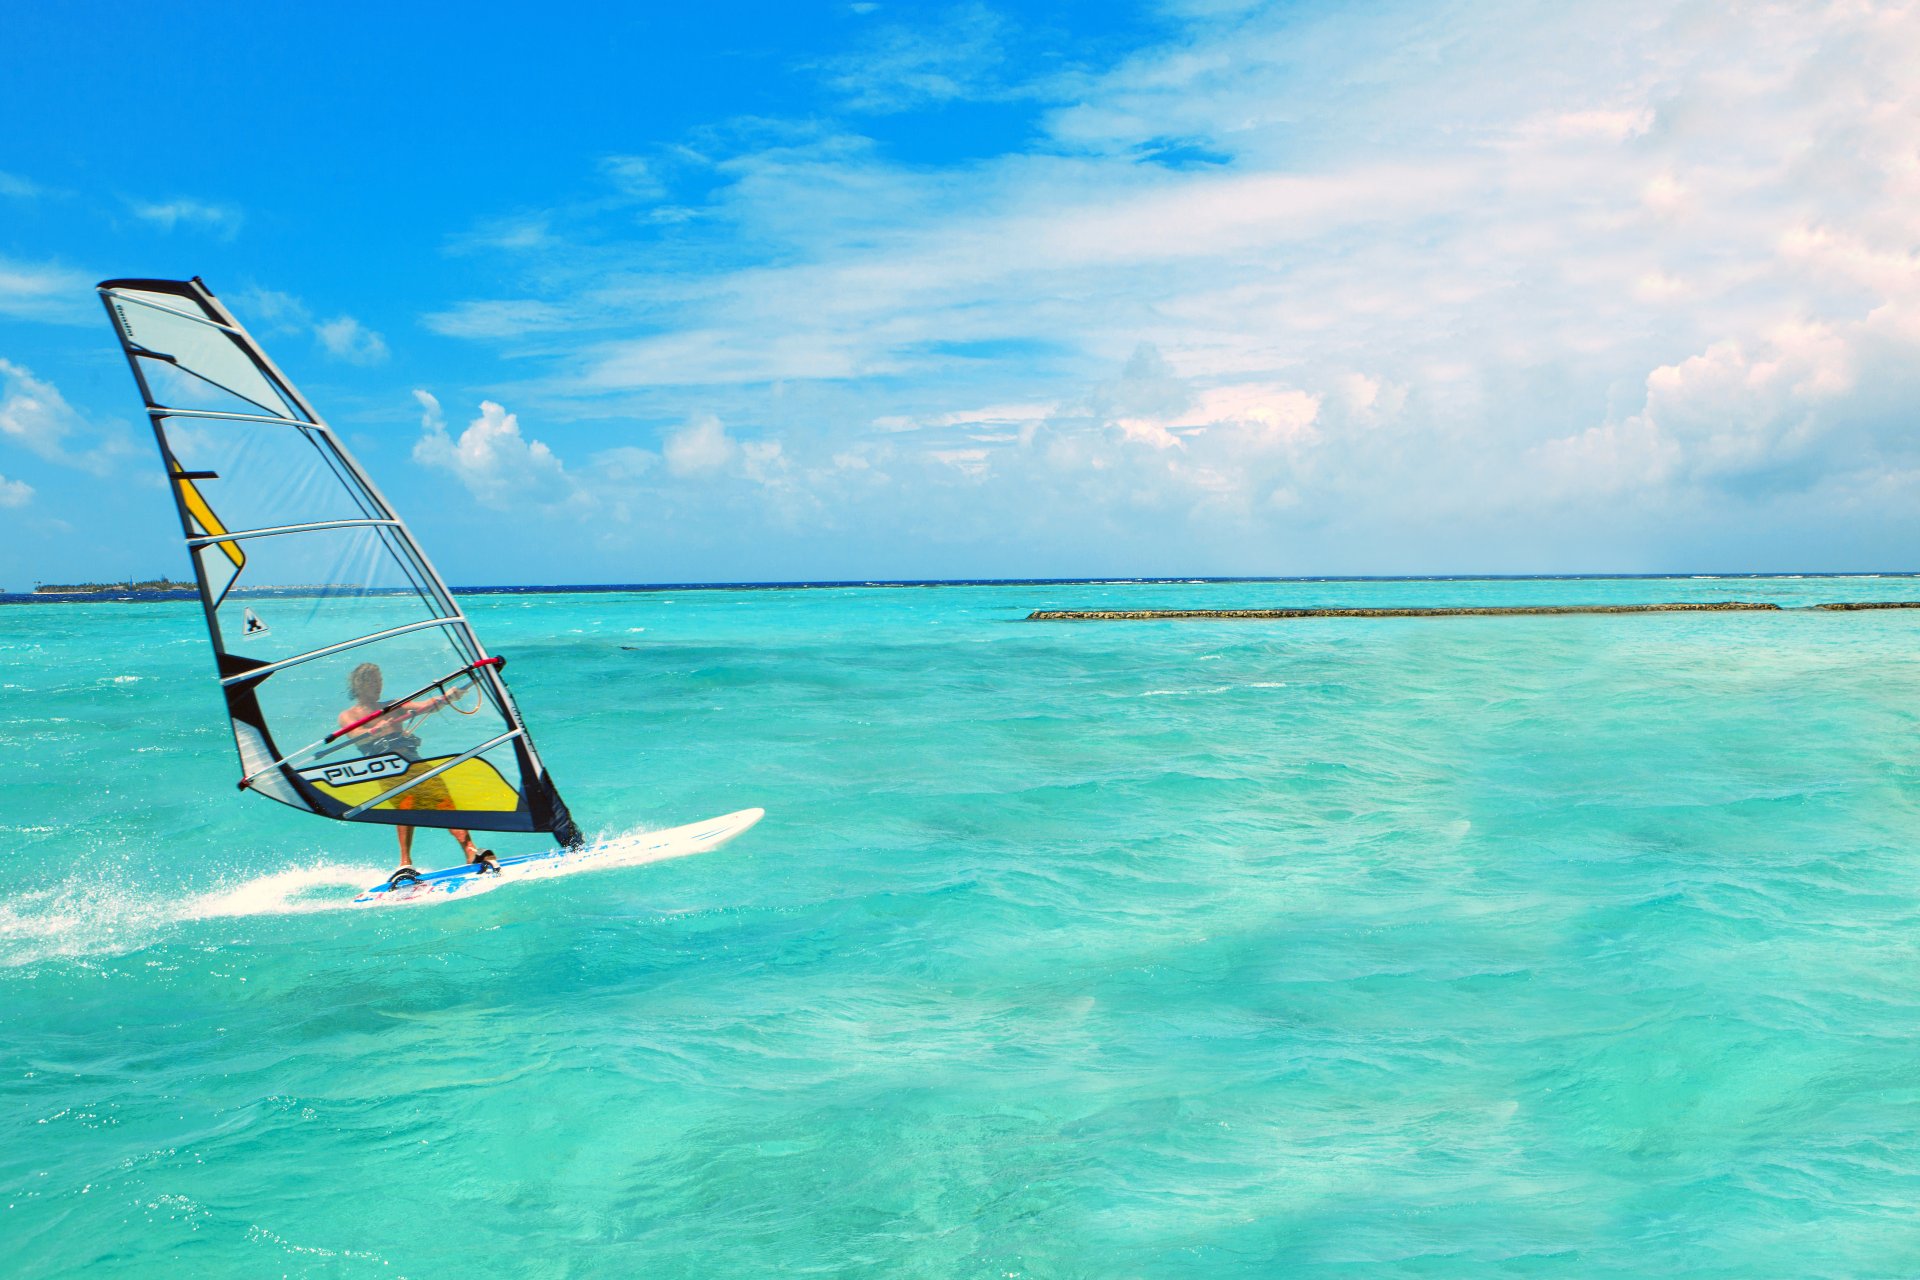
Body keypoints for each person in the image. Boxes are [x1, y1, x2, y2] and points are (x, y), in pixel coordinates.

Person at [339, 661, 498, 885]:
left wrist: (450, 695)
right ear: (360, 684)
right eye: (374, 681)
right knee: (406, 806)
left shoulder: (393, 705)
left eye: (380, 680)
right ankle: (405, 863)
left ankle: (471, 851)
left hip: (413, 761)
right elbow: (357, 733)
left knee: (445, 802)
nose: (378, 685)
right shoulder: (349, 715)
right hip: (388, 766)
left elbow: (426, 706)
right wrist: (377, 728)